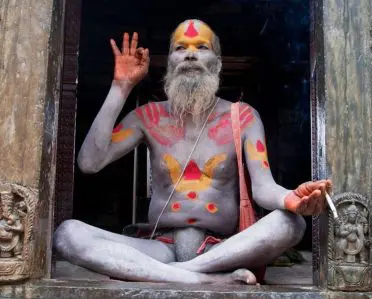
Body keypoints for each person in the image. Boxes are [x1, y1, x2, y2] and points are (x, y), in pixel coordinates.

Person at [54, 19, 332, 284]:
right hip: (158, 248)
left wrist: (291, 198)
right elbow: (89, 163)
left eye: (202, 47)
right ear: (169, 62)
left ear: (218, 64)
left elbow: (263, 188)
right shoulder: (147, 117)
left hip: (221, 249)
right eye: (180, 48)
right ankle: (199, 278)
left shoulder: (244, 116)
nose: (190, 54)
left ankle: (174, 273)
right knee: (68, 235)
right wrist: (121, 86)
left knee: (291, 224)